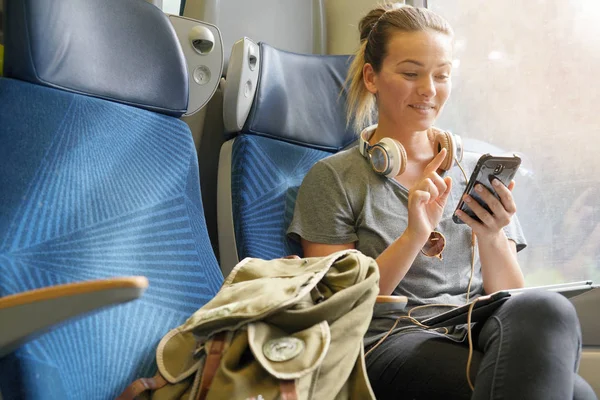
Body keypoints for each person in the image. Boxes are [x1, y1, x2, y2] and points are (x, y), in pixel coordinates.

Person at [287, 3, 597, 399]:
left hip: (473, 328)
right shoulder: (333, 179)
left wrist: (491, 235)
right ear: (372, 77)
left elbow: (509, 294)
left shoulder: (473, 171)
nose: (429, 90)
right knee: (578, 394)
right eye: (411, 73)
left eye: (441, 76)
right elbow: (337, 310)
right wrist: (414, 235)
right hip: (386, 343)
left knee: (547, 309)